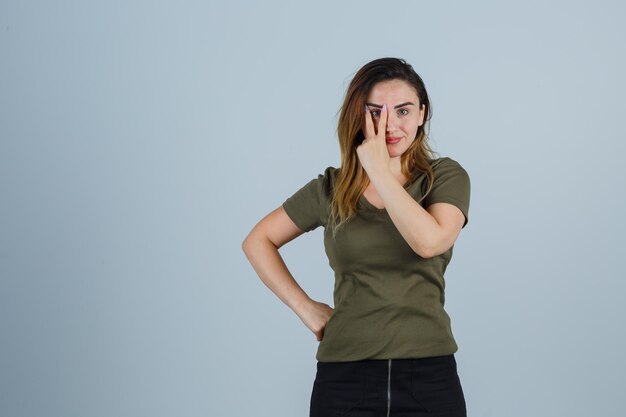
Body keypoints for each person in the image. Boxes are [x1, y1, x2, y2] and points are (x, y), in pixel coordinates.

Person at [242, 57, 471, 417]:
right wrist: (305, 307)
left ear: (422, 113)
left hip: (429, 374)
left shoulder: (443, 177)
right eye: (376, 112)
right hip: (345, 376)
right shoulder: (330, 188)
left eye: (403, 111)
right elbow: (257, 241)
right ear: (359, 116)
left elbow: (430, 241)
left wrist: (379, 170)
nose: (390, 124)